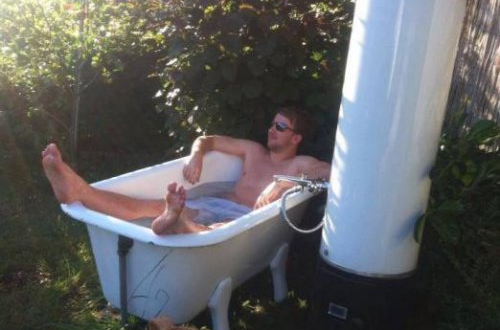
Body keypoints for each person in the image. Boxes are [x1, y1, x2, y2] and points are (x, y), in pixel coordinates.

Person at [42, 107, 330, 235]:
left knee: (220, 232)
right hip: (214, 202)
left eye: (280, 126)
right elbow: (207, 140)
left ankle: (182, 224)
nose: (271, 129)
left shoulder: (300, 164)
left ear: (296, 138)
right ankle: (80, 190)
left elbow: (332, 173)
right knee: (150, 206)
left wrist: (283, 183)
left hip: (246, 220)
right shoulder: (253, 150)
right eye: (272, 124)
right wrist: (196, 155)